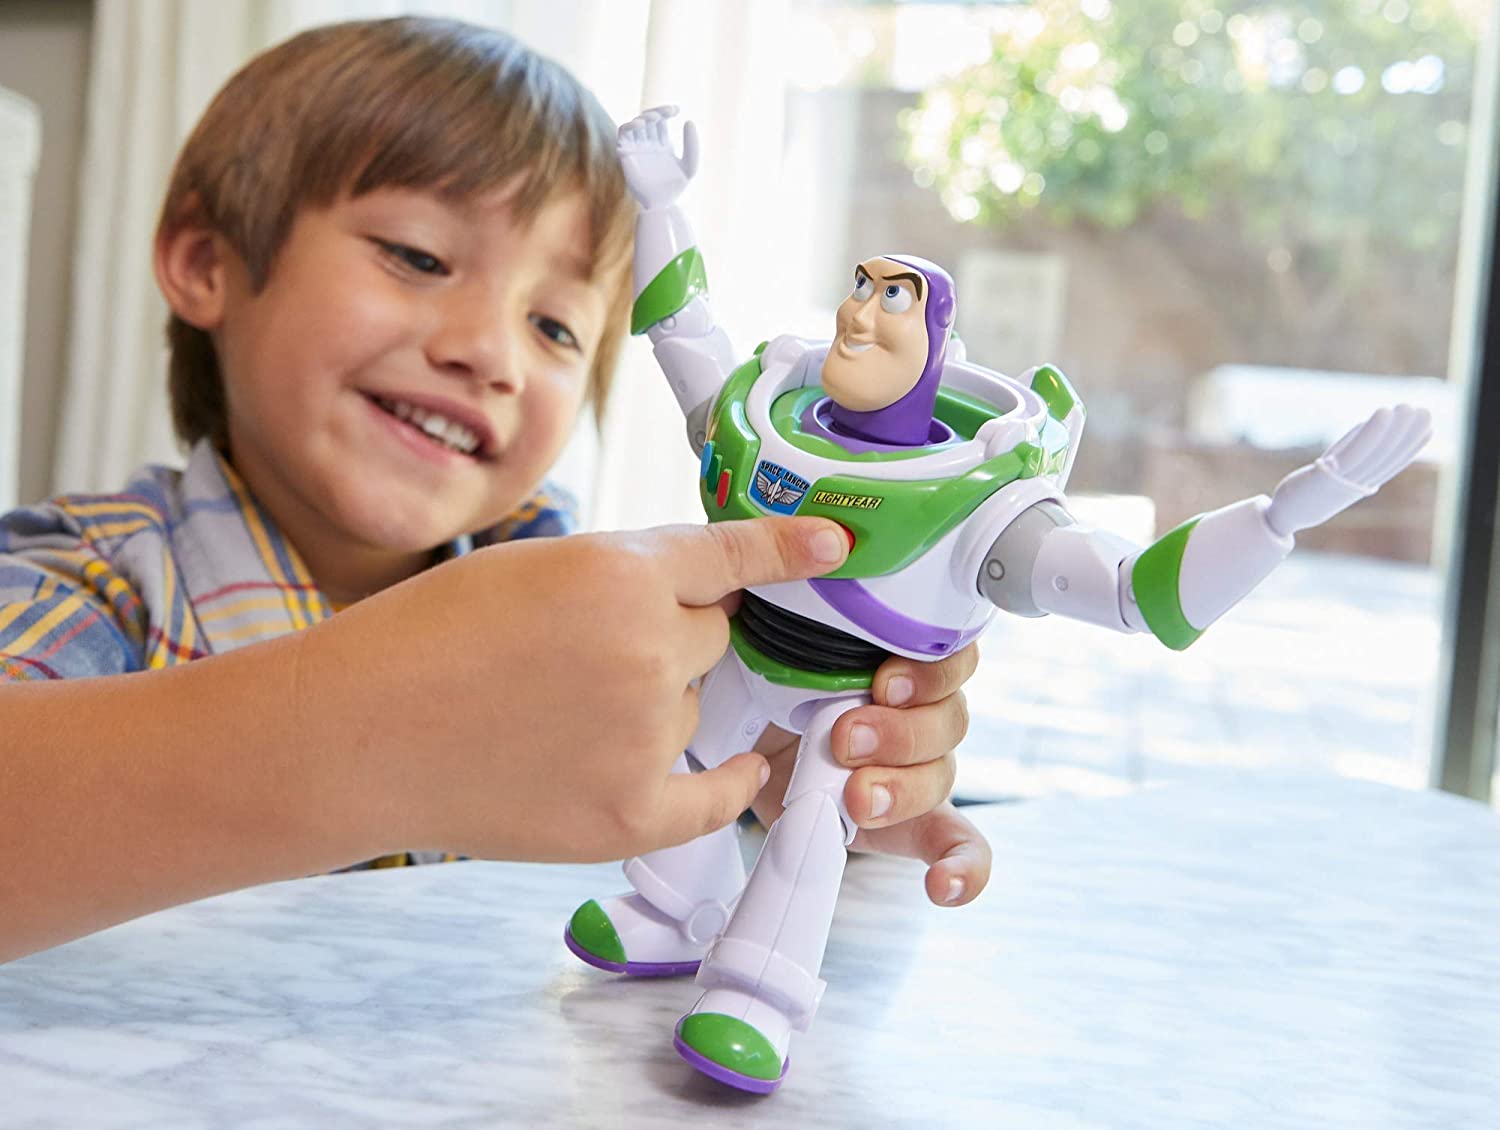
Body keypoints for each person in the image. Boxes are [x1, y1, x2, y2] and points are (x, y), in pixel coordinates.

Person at [0, 18, 991, 966]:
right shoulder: (86, 578)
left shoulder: (575, 606)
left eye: (554, 327)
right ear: (205, 262)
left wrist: (790, 767)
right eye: (418, 257)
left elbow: (703, 801)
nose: (488, 353)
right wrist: (388, 726)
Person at [574, 106, 1432, 1092]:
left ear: (935, 342)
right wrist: (660, 204)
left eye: (892, 298)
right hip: (743, 650)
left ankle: (758, 993)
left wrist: (1283, 516)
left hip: (850, 699)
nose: (860, 312)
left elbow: (1137, 592)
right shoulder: (766, 416)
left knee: (814, 817)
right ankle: (676, 905)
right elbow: (681, 327)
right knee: (691, 750)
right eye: (860, 286)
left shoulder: (979, 499)